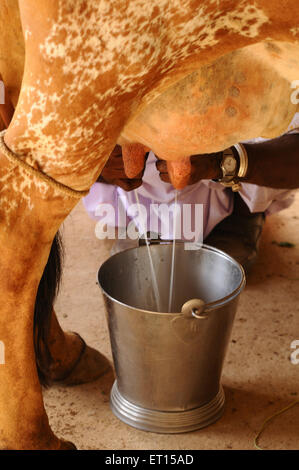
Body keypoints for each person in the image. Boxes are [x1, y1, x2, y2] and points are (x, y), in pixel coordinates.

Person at [83, 113, 299, 273]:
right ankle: (137, 216)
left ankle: (242, 215)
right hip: (134, 192)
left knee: (275, 111)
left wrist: (221, 162)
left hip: (230, 178)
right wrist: (98, 164)